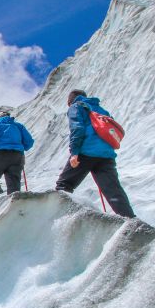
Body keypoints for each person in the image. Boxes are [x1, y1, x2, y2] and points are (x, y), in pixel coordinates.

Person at [54, 90, 135, 218]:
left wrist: (75, 153)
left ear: (69, 102)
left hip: (86, 152)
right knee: (113, 190)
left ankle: (57, 216)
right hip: (106, 155)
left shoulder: (76, 107)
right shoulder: (101, 109)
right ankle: (130, 219)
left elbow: (77, 128)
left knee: (64, 185)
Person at [0, 107, 34, 200]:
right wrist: (24, 147)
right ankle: (14, 206)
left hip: (0, 155)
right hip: (18, 156)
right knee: (14, 184)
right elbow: (29, 142)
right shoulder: (18, 126)